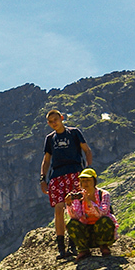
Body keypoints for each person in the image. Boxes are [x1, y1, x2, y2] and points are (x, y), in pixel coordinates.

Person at [40, 109, 93, 259]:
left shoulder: (74, 133)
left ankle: (74, 244)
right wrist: (43, 179)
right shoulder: (50, 139)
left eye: (55, 119)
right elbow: (46, 160)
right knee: (58, 209)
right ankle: (61, 247)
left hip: (75, 172)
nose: (53, 123)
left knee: (74, 208)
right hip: (56, 176)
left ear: (62, 118)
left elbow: (87, 150)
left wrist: (87, 170)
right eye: (50, 122)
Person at [64, 168, 116, 260]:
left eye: (88, 180)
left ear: (94, 181)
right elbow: (76, 216)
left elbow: (103, 212)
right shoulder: (79, 197)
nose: (85, 183)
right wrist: (69, 204)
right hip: (87, 231)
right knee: (72, 223)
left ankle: (104, 245)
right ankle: (83, 249)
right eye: (83, 181)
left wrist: (89, 203)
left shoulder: (103, 194)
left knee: (105, 220)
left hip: (101, 230)